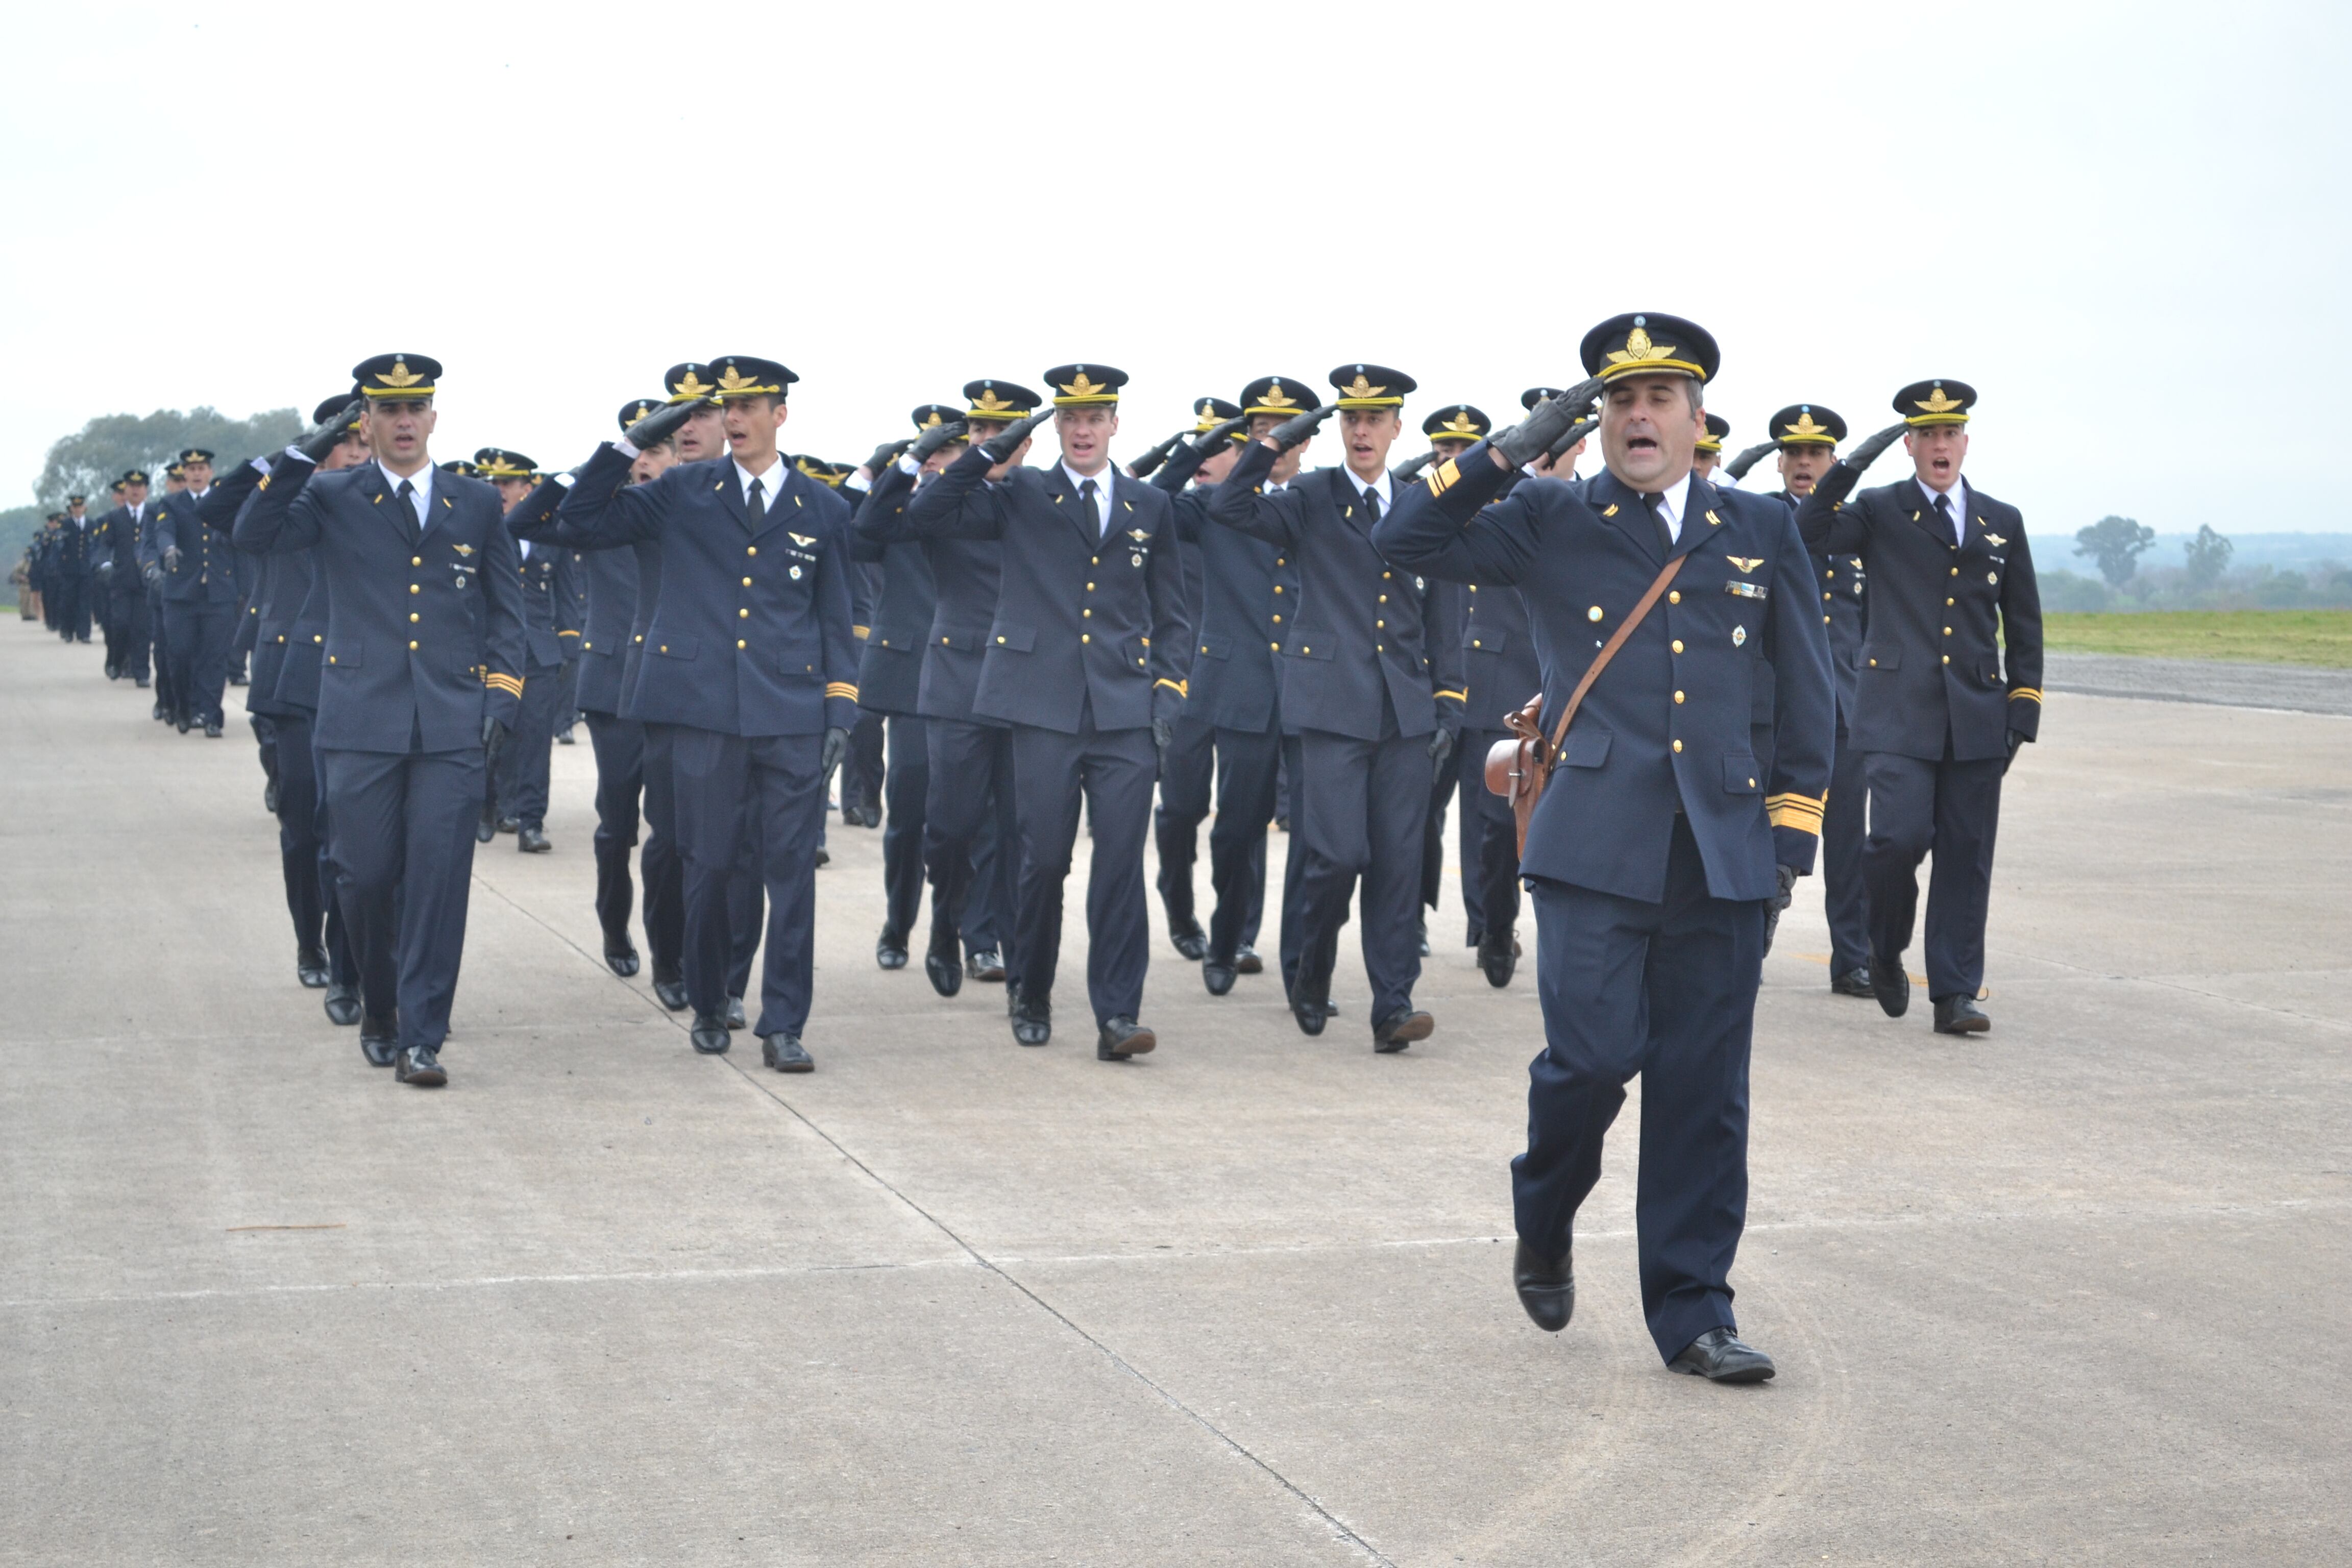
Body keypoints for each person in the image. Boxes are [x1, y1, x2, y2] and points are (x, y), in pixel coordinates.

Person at [1376, 311, 1834, 1382]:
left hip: (1724, 852)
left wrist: (1787, 843)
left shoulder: (1761, 529)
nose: (1639, 417)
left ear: (1696, 416)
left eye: (1658, 398)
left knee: (1703, 1092)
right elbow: (1401, 540)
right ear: (1598, 417)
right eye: (1619, 400)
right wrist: (1503, 450)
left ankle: (1695, 1313)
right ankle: (1545, 1207)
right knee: (1588, 1063)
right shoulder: (1544, 512)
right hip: (1590, 843)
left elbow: (1809, 695)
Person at [553, 354, 858, 1071]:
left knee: (789, 873)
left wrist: (841, 707)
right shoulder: (685, 489)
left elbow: (836, 615)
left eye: (754, 406)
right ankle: (713, 998)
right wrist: (634, 441)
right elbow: (578, 518)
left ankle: (784, 1022)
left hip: (790, 712)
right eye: (731, 408)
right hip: (702, 711)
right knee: (710, 864)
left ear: (780, 414)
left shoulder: (824, 507)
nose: (740, 419)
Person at [236, 354, 528, 1088]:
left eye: (415, 408)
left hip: (453, 723)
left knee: (439, 881)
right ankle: (379, 1006)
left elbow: (506, 613)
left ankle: (421, 1034)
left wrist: (501, 698)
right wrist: (306, 452)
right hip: (360, 719)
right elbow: (252, 529)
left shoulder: (476, 502)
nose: (403, 421)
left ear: (433, 417)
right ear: (365, 421)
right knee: (361, 877)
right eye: (387, 410)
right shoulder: (332, 495)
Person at [903, 365, 1190, 1061]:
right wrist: (990, 451)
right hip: (1041, 707)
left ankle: (1119, 1013)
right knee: (1044, 861)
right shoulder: (1021, 493)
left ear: (1116, 423)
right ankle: (1029, 989)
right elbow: (927, 514)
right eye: (1070, 418)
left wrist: (1168, 693)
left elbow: (1175, 615)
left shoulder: (1149, 505)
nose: (1084, 429)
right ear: (1054, 427)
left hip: (1124, 711)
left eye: (1097, 417)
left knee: (1120, 865)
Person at [1207, 365, 1461, 1050]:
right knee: (1337, 857)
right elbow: (1228, 508)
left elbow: (1444, 604)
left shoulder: (1420, 500)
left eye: (1375, 419)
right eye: (1351, 419)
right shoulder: (1311, 498)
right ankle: (1311, 970)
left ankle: (1392, 1004)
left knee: (1398, 864)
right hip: (1329, 707)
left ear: (1397, 427)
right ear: (1337, 429)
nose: (1362, 431)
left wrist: (1448, 699)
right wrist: (1272, 444)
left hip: (1404, 710)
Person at [1793, 380, 2041, 1034]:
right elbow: (1807, 531)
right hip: (1897, 710)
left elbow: (2024, 622)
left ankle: (1955, 993)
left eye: (1949, 433)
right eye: (1926, 434)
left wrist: (2023, 708)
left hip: (1978, 715)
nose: (1939, 444)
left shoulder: (2000, 520)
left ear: (1965, 442)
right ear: (1909, 445)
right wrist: (1849, 467)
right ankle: (1883, 945)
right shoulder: (1878, 510)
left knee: (1966, 853)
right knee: (1895, 841)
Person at [856, 379, 1033, 996]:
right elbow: (865, 533)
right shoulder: (929, 499)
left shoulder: (1030, 500)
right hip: (930, 675)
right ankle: (905, 923)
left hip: (1012, 676)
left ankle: (980, 939)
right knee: (920, 816)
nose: (979, 446)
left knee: (1002, 825)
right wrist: (898, 464)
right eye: (970, 437)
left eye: (990, 437)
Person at [1450, 389, 1590, 987]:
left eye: (1563, 438)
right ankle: (1497, 924)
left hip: (1573, 681)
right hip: (1498, 679)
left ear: (1582, 442)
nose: (1552, 449)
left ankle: (1578, 937)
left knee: (1580, 819)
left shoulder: (1597, 505)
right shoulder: (1500, 502)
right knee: (1493, 825)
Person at [1150, 394, 1282, 994]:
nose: (1211, 458)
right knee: (1179, 810)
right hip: (1186, 683)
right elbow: (1152, 499)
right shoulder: (1194, 510)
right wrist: (1200, 447)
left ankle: (1237, 934)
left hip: (1254, 682)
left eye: (1224, 447)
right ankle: (1179, 910)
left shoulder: (1286, 509)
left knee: (1241, 822)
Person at [1756, 405, 1873, 996]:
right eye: (1795, 455)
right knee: (1764, 830)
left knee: (1850, 842)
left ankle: (1853, 956)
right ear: (1780, 462)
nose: (1806, 465)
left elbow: (1871, 624)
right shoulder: (1759, 522)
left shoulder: (1855, 531)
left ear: (1833, 463)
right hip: (1777, 710)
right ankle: (1748, 934)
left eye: (1817, 455)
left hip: (1846, 711)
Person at [846, 404, 960, 983]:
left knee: (967, 822)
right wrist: (879, 469)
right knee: (909, 813)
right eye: (929, 452)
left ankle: (959, 932)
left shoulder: (983, 508)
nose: (937, 464)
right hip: (910, 678)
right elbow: (849, 523)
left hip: (973, 678)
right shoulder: (895, 511)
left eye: (948, 452)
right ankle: (898, 923)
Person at [477, 447, 573, 853]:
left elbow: (566, 594)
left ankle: (532, 821)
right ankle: (491, 806)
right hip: (492, 650)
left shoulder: (550, 534)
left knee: (535, 741)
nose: (498, 490)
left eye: (506, 483)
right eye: (493, 483)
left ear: (527, 488)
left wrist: (568, 648)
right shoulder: (478, 526)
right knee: (491, 736)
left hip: (538, 651)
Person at [151, 447, 240, 736]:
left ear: (210, 472)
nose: (197, 473)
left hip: (219, 591)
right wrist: (168, 549)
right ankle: (184, 707)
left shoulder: (223, 501)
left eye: (202, 468)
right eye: (191, 469)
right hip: (181, 594)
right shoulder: (171, 503)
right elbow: (164, 531)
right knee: (180, 654)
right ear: (184, 474)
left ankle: (211, 714)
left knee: (215, 656)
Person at [51, 495, 97, 646]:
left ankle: (84, 633)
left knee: (85, 602)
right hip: (69, 570)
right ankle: (68, 631)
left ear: (84, 508)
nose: (77, 510)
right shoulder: (65, 524)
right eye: (75, 507)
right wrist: (58, 566)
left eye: (80, 507)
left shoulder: (91, 524)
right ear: (72, 509)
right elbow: (58, 546)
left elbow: (96, 546)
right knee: (68, 601)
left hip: (86, 570)